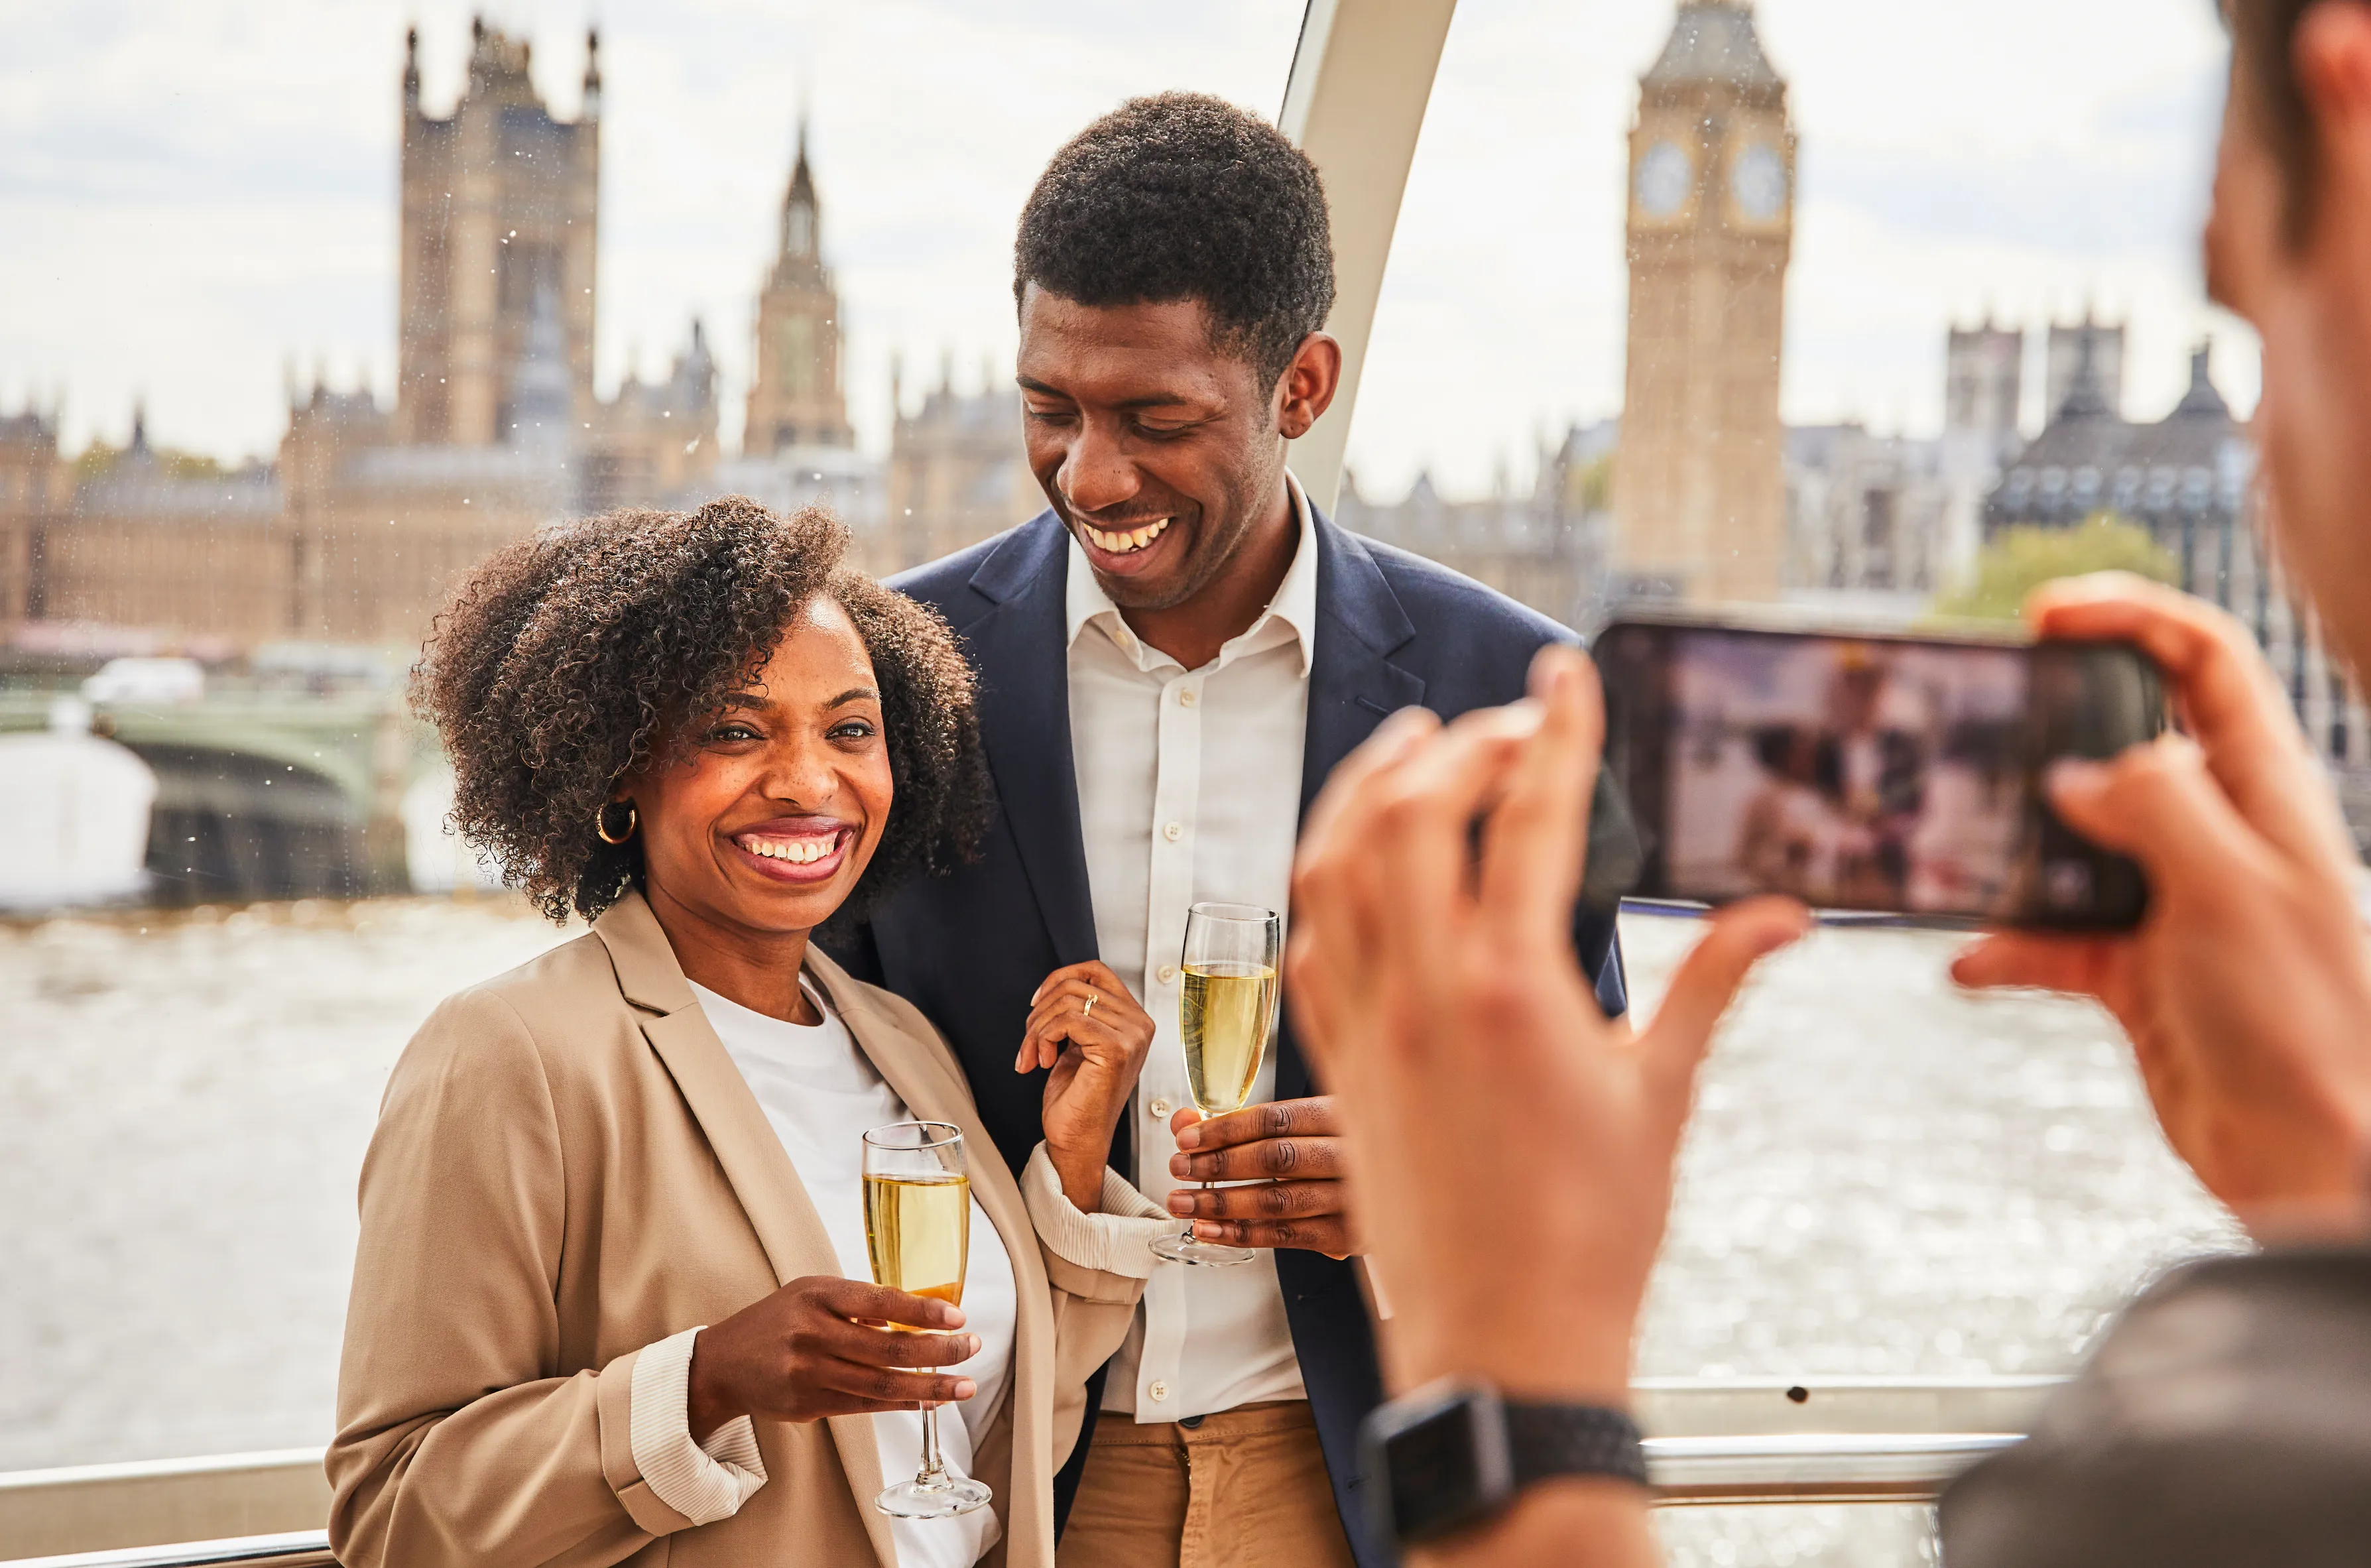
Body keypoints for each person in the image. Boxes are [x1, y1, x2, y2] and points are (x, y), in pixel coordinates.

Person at [1281, 0, 2371, 1558]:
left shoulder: (2211, 1477)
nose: (2266, 467)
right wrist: (2333, 1159)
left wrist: (1510, 1367)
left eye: (2253, 311)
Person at [821, 93, 1626, 1568]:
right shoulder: (888, 672)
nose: (1091, 478)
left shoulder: (1508, 694)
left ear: (1302, 385)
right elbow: (795, 1079)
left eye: (1157, 421)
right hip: (1006, 1471)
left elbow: (1589, 1111)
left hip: (1359, 1478)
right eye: (1049, 410)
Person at [327, 497, 1171, 1568]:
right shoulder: (509, 1054)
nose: (811, 783)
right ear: (616, 771)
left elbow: (983, 1441)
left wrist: (1080, 1160)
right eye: (735, 731)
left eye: (850, 730)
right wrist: (706, 1380)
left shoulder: (900, 1044)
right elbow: (393, 1516)